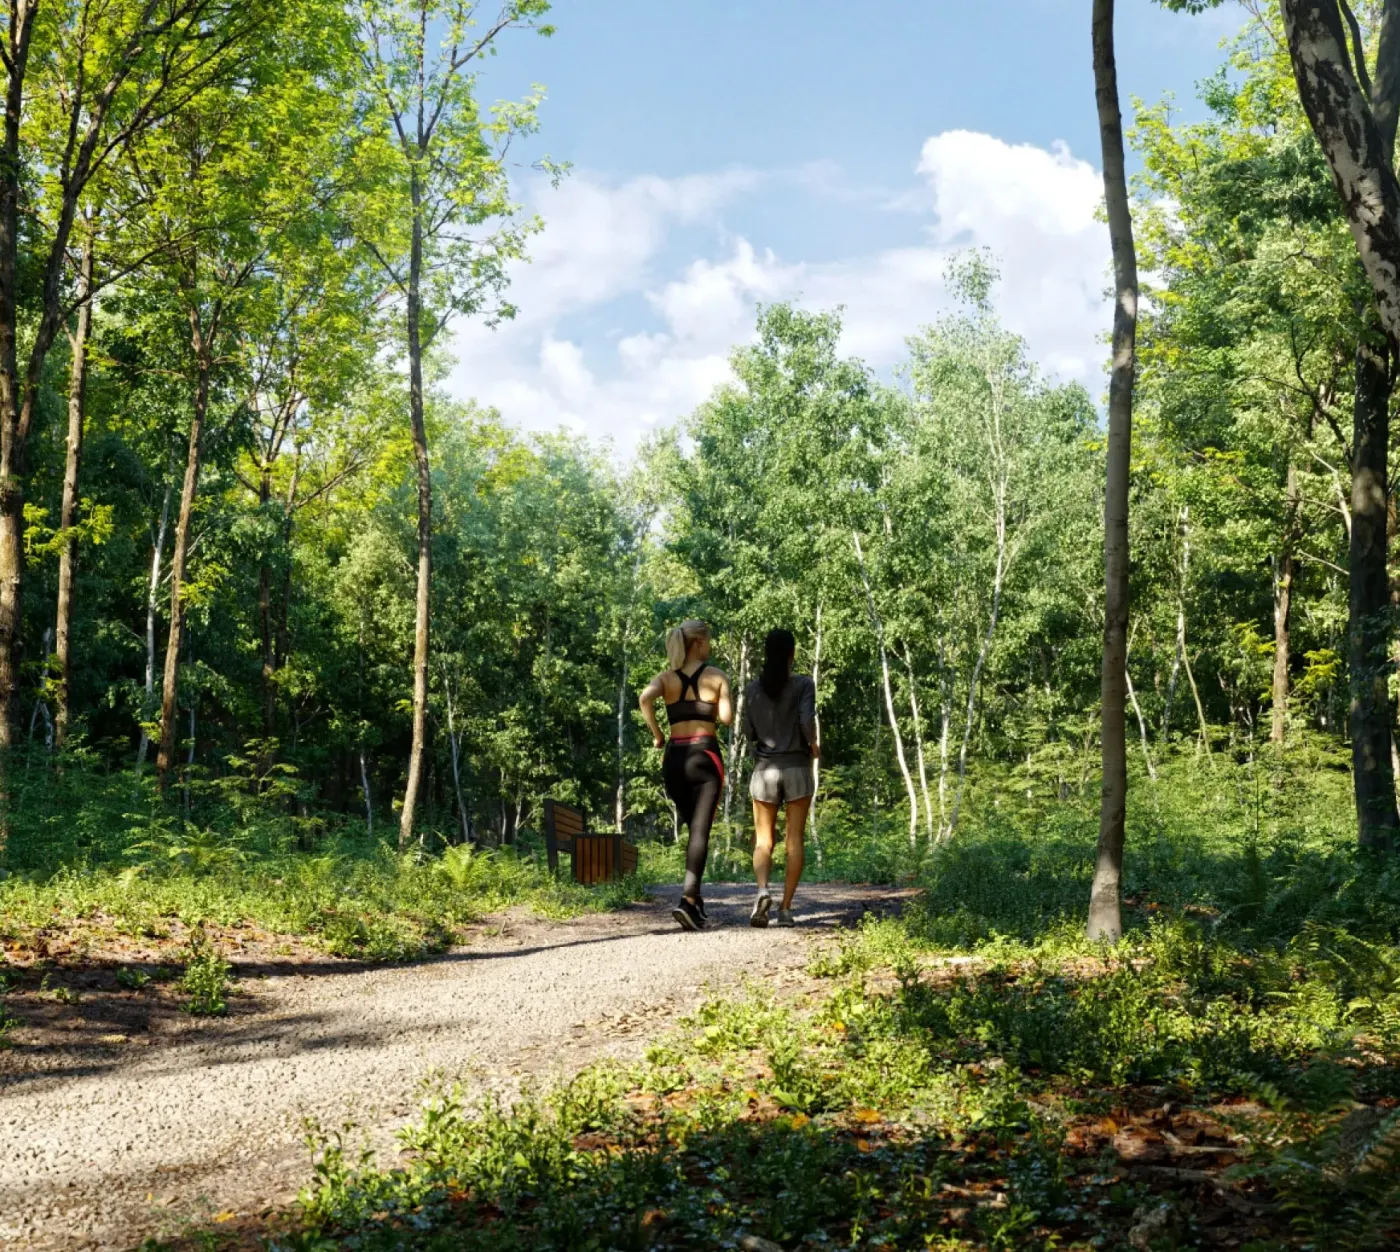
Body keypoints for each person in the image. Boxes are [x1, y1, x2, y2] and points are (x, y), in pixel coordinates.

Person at [639, 619, 733, 931]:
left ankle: (696, 902)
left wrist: (658, 735)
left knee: (693, 829)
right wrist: (716, 706)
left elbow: (644, 698)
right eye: (709, 641)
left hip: (675, 759)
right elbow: (727, 718)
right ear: (698, 643)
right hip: (705, 755)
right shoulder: (716, 676)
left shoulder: (666, 678)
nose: (711, 646)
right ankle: (688, 899)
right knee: (700, 832)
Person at [744, 628, 819, 927]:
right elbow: (806, 719)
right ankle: (786, 909)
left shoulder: (752, 689)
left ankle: (763, 891)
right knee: (794, 840)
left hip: (764, 769)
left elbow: (748, 731)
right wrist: (813, 744)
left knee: (764, 841)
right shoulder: (804, 684)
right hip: (797, 767)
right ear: (792, 654)